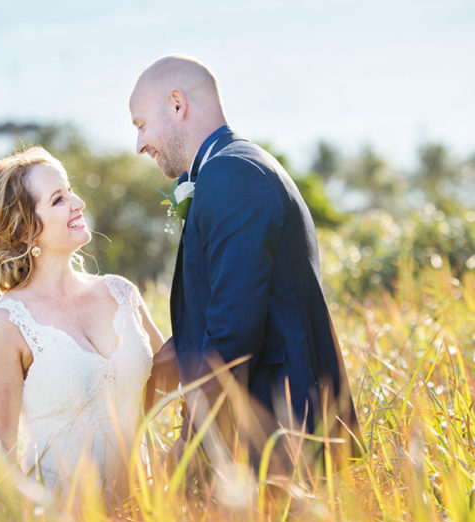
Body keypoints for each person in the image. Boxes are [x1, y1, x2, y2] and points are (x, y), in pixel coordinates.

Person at [129, 55, 363, 472]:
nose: (139, 144)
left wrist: (191, 444)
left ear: (177, 104)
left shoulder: (231, 173)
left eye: (141, 125)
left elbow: (231, 333)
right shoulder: (235, 166)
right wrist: (135, 380)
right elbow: (217, 316)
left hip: (277, 438)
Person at [0, 146, 164, 494]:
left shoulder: (121, 292)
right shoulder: (4, 326)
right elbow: (0, 461)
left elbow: (177, 383)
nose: (78, 203)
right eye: (58, 200)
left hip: (148, 514)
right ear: (23, 230)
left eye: (70, 191)